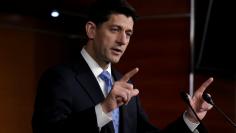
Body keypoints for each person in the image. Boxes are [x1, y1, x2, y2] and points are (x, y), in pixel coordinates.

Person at [32, 0, 214, 133]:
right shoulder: (59, 78)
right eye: (115, 30)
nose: (123, 41)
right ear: (91, 30)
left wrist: (190, 118)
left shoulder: (124, 84)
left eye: (128, 33)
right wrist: (103, 109)